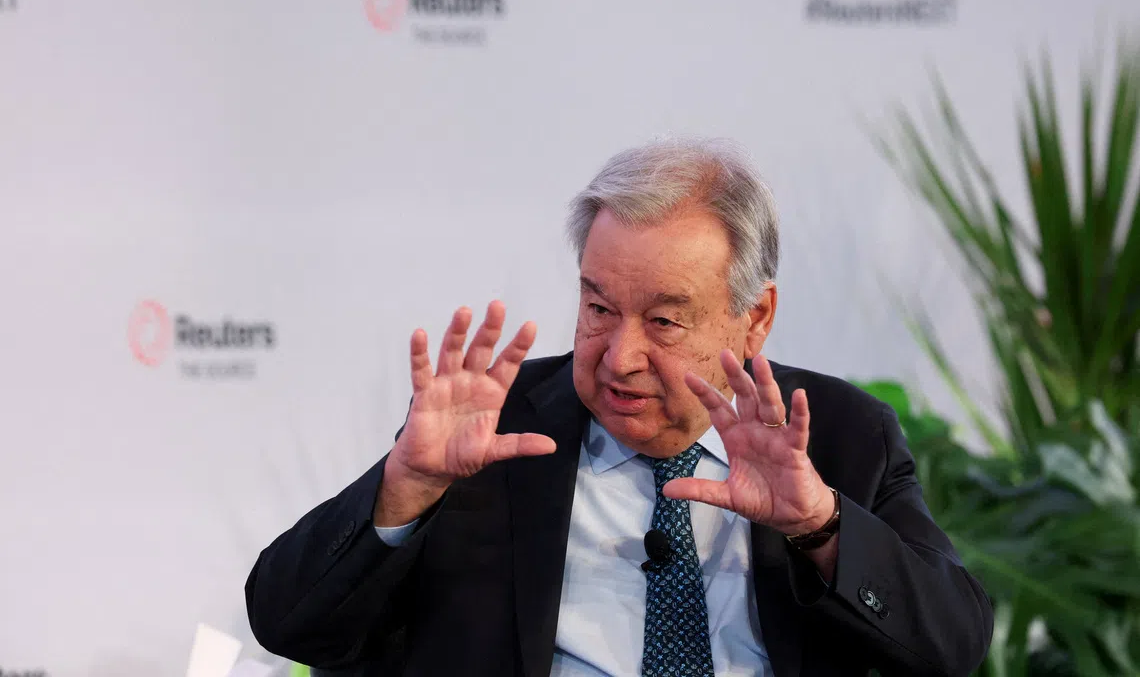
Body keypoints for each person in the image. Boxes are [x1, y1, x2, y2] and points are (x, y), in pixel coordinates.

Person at [245, 137, 993, 676]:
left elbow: (953, 645)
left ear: (755, 318)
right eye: (599, 307)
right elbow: (287, 623)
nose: (619, 355)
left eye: (665, 321)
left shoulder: (839, 435)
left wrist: (819, 527)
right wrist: (405, 486)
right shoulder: (491, 430)